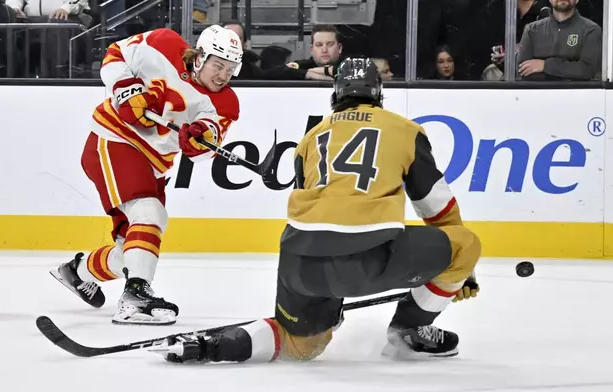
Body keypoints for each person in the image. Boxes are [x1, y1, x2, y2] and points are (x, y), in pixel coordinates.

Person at [150, 57, 481, 363]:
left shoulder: (311, 138)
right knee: (466, 244)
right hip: (365, 257)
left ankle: (214, 346)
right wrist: (460, 271)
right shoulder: (405, 130)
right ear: (378, 93)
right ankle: (409, 331)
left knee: (302, 344)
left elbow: (317, 209)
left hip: (300, 260)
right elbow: (438, 208)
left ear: (336, 94)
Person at [49, 25, 243, 326]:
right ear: (200, 57)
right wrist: (126, 88)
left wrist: (198, 139)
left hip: (154, 164)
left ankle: (78, 271)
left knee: (133, 252)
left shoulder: (226, 102)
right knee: (150, 212)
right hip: (114, 138)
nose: (223, 75)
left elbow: (206, 148)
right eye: (218, 65)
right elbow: (115, 55)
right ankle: (135, 297)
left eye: (231, 69)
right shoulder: (163, 42)